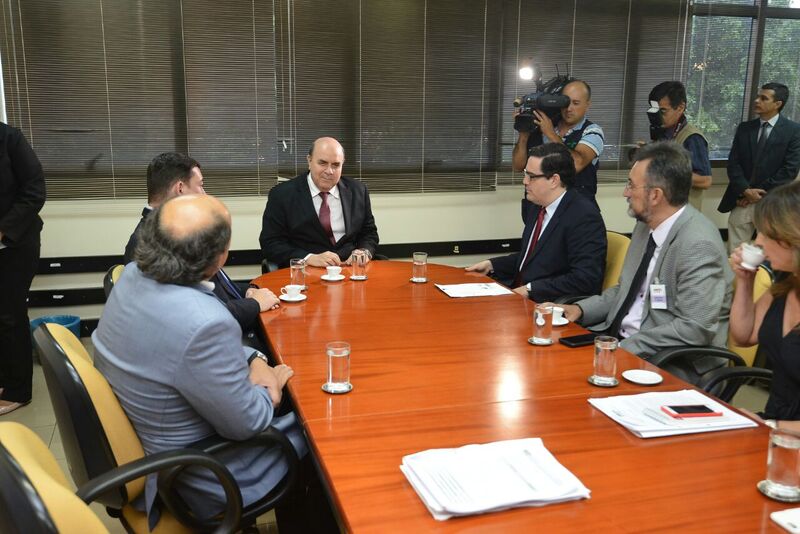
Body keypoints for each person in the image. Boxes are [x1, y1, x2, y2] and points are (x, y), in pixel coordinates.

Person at [94, 195, 333, 531]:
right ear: (220, 257)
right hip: (203, 476)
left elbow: (189, 352)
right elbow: (250, 422)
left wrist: (256, 359)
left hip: (159, 447)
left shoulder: (132, 277)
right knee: (323, 431)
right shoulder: (204, 321)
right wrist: (270, 386)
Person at [553, 142, 732, 359]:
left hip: (670, 360)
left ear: (655, 195)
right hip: (619, 340)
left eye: (631, 185)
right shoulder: (645, 226)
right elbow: (625, 290)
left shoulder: (698, 244)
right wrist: (581, 309)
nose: (625, 193)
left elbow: (694, 328)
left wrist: (623, 348)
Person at [124, 152, 278, 339]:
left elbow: (216, 288)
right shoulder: (154, 243)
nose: (204, 194)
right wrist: (254, 304)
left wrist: (248, 291)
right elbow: (196, 315)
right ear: (180, 188)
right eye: (201, 185)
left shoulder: (172, 230)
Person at [466, 143, 606, 302]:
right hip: (518, 294)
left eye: (531, 176)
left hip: (547, 304)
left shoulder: (583, 216)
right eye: (526, 174)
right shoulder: (537, 207)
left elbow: (585, 279)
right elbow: (532, 258)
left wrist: (530, 289)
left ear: (554, 180)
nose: (525, 181)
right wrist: (492, 265)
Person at [729, 181, 800, 426]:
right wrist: (745, 280)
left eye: (767, 234)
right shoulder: (787, 280)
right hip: (775, 424)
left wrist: (771, 427)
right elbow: (744, 336)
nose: (758, 241)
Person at [260, 136, 379, 268]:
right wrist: (308, 258)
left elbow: (369, 233)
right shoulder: (282, 194)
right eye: (322, 163)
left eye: (336, 165)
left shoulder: (358, 191)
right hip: (306, 270)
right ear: (309, 160)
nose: (329, 171)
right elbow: (270, 243)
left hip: (350, 269)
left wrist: (364, 251)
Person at [719, 82, 800, 253]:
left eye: (764, 98)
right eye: (758, 96)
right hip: (742, 199)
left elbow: (789, 170)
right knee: (735, 252)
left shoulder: (794, 131)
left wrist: (757, 194)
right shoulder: (745, 128)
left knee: (770, 252)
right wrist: (746, 190)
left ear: (777, 104)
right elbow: (733, 163)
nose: (757, 101)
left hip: (771, 201)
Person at [0, 122, 46, 416]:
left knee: (9, 315)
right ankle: (3, 379)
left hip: (14, 244)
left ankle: (18, 390)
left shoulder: (9, 138)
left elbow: (34, 191)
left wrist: (3, 230)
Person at [512, 80, 605, 202]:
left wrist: (550, 134)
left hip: (575, 207)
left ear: (587, 105)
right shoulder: (542, 124)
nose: (569, 108)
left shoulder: (592, 131)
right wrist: (524, 133)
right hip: (538, 207)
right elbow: (518, 166)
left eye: (576, 103)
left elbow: (576, 164)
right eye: (565, 102)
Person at [646, 81, 712, 210]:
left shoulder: (692, 138)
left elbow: (705, 180)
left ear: (680, 107)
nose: (658, 117)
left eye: (663, 111)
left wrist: (669, 172)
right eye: (654, 111)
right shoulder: (663, 133)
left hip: (682, 213)